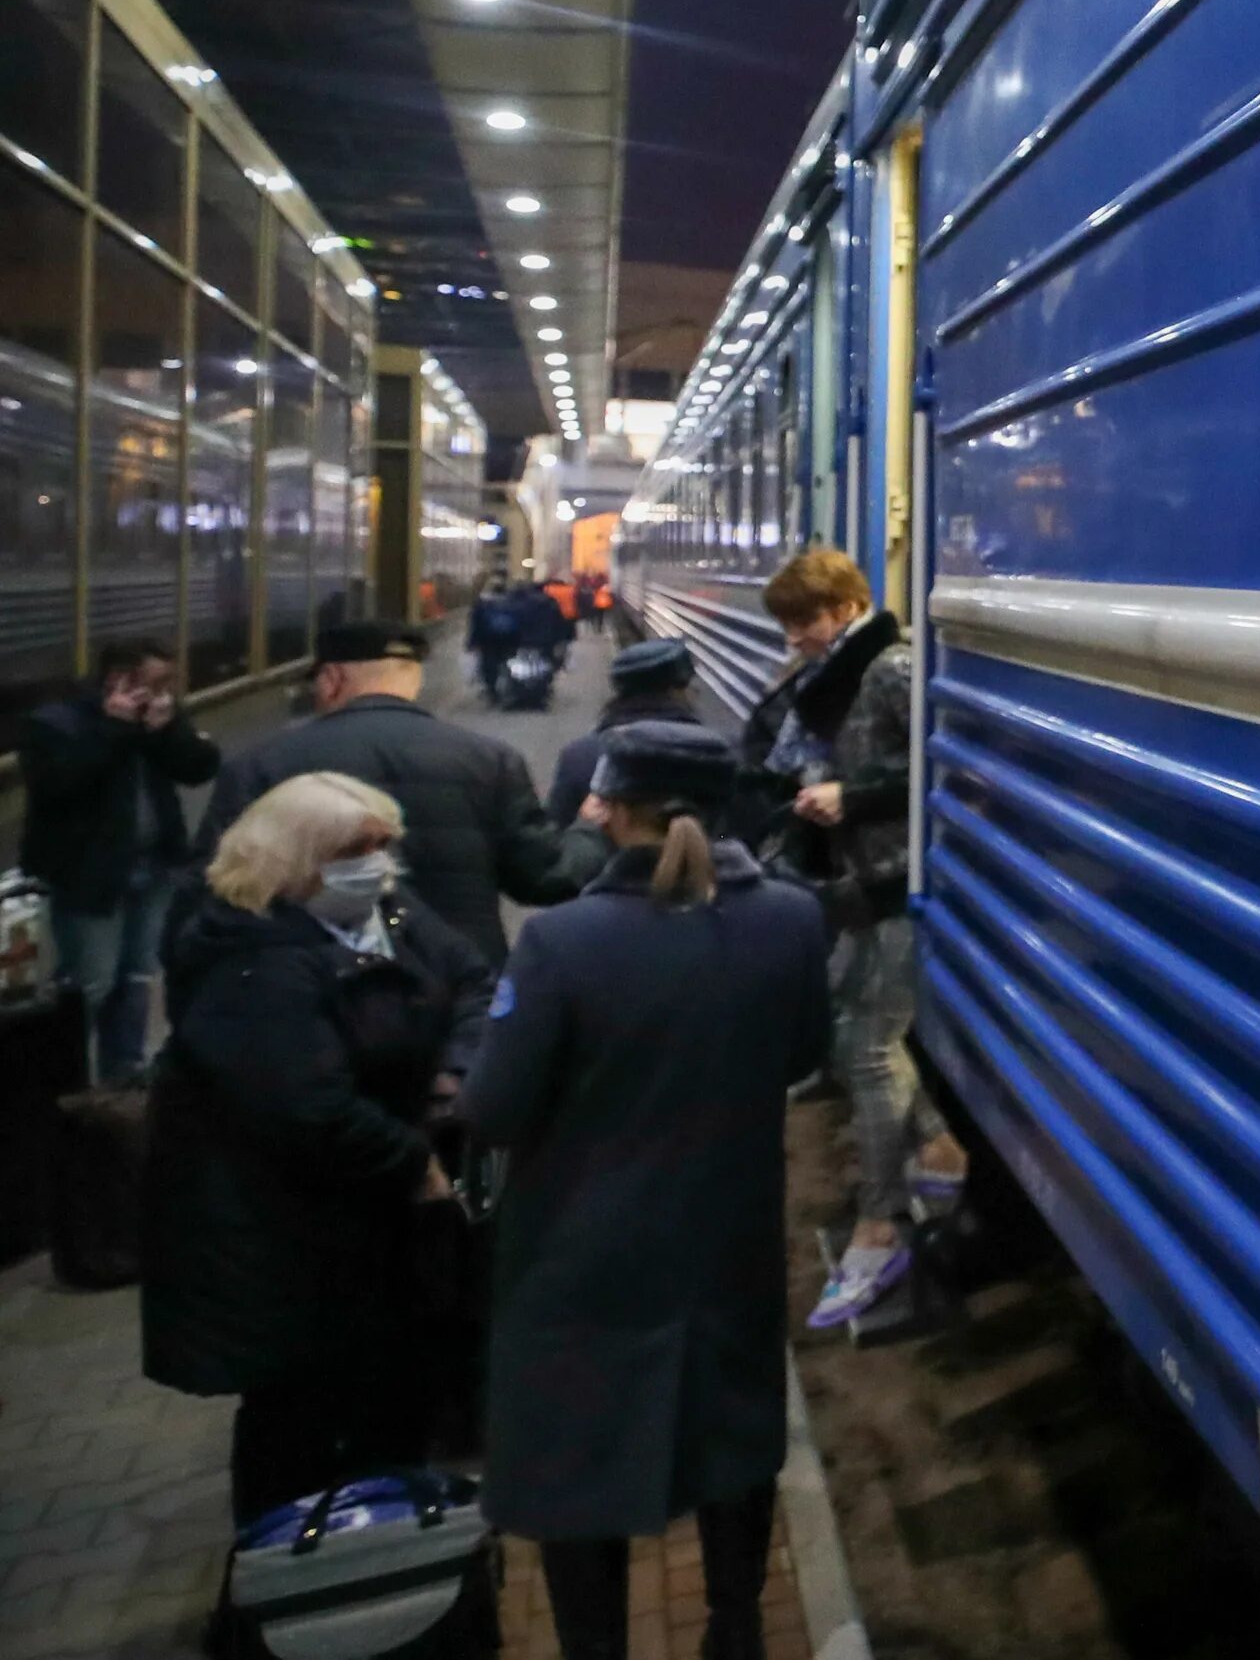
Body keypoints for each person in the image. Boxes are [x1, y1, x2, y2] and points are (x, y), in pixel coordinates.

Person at [463, 722, 829, 1660]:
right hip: (729, 1233)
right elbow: (804, 1055)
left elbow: (495, 1109)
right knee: (732, 1438)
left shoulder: (562, 940)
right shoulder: (789, 916)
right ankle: (736, 1626)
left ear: (612, 807)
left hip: (584, 1252)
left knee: (580, 1462)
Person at [141, 774, 485, 1524]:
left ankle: (386, 1561)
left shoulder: (382, 908)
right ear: (291, 860)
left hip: (362, 1227)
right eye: (353, 849)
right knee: (297, 1422)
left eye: (382, 842)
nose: (376, 861)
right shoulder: (251, 962)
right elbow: (305, 1107)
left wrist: (453, 1072)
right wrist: (414, 1159)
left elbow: (469, 980)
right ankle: (291, 1584)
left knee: (386, 1405)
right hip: (284, 1240)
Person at [743, 548, 965, 1329]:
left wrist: (853, 794)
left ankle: (880, 1225)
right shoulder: (847, 673)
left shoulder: (892, 669)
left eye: (803, 622)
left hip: (903, 880)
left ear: (843, 608)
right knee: (851, 1032)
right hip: (867, 881)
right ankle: (937, 1148)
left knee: (868, 1046)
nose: (793, 639)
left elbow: (945, 765)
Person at [194, 622, 574, 967]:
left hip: (309, 984)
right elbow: (540, 879)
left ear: (331, 679)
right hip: (458, 985)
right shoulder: (492, 759)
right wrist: (591, 831)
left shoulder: (261, 765)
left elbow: (214, 887)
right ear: (413, 681)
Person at [20, 638, 220, 1081]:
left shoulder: (158, 718)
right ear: (117, 679)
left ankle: (123, 1071)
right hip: (90, 876)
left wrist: (168, 731)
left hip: (154, 868)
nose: (168, 691)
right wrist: (114, 729)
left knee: (138, 975)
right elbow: (57, 786)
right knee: (91, 983)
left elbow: (200, 768)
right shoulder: (56, 723)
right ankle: (63, 1077)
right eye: (157, 681)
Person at [547, 638, 702, 829]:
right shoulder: (717, 755)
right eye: (690, 682)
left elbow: (556, 836)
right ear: (677, 690)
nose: (697, 690)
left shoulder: (579, 755)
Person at [466, 580, 517, 703]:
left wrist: (472, 642)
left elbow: (475, 624)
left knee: (489, 665)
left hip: (487, 640)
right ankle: (509, 688)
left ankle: (492, 690)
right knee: (507, 662)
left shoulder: (482, 604)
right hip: (508, 639)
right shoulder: (513, 602)